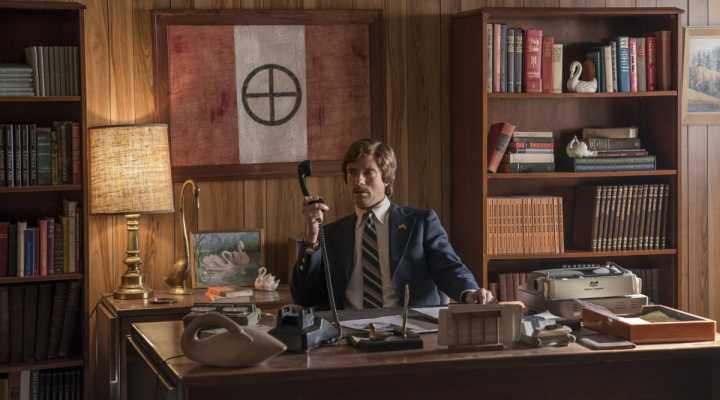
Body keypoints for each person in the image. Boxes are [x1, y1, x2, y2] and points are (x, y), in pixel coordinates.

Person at [291, 138, 494, 309]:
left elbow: (448, 268)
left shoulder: (420, 223)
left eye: (368, 172)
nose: (358, 181)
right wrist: (312, 238)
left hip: (410, 329)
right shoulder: (331, 234)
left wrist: (470, 292)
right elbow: (304, 298)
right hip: (350, 331)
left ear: (386, 178)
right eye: (352, 172)